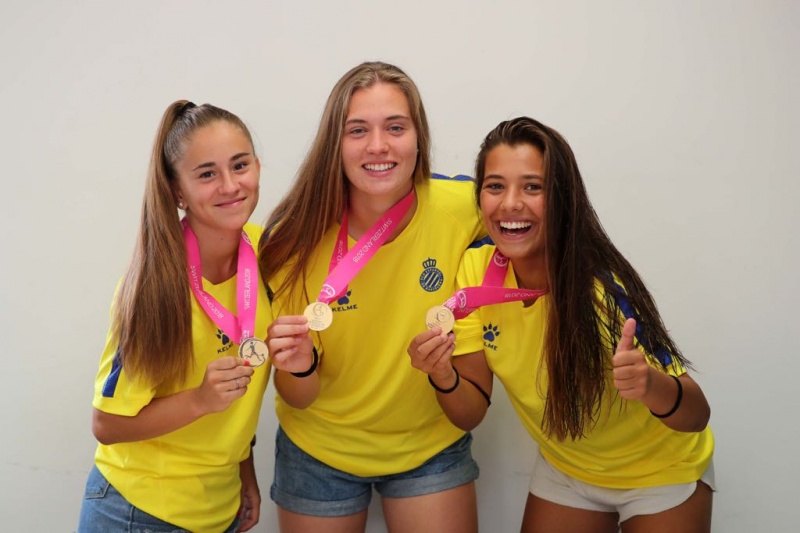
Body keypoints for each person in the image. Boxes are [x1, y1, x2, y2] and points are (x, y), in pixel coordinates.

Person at [408, 117, 715, 533]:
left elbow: (697, 413)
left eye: (532, 187)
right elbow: (470, 414)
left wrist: (649, 386)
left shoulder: (603, 289)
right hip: (568, 470)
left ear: (562, 197)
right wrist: (442, 375)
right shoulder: (474, 272)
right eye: (495, 186)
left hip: (660, 472)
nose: (511, 203)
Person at [259, 61, 485, 532]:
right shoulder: (293, 238)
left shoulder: (463, 208)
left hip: (430, 447)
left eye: (395, 127)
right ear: (333, 145)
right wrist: (297, 364)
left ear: (418, 136)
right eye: (357, 130)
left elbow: (537, 229)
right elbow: (298, 396)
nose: (378, 146)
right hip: (319, 452)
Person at [78, 100, 272, 533]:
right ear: (178, 190)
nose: (229, 185)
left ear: (258, 166)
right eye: (206, 174)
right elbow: (106, 423)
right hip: (139, 512)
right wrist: (200, 399)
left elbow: (239, 393)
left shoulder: (268, 255)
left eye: (239, 165)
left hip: (220, 508)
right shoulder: (153, 285)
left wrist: (245, 473)